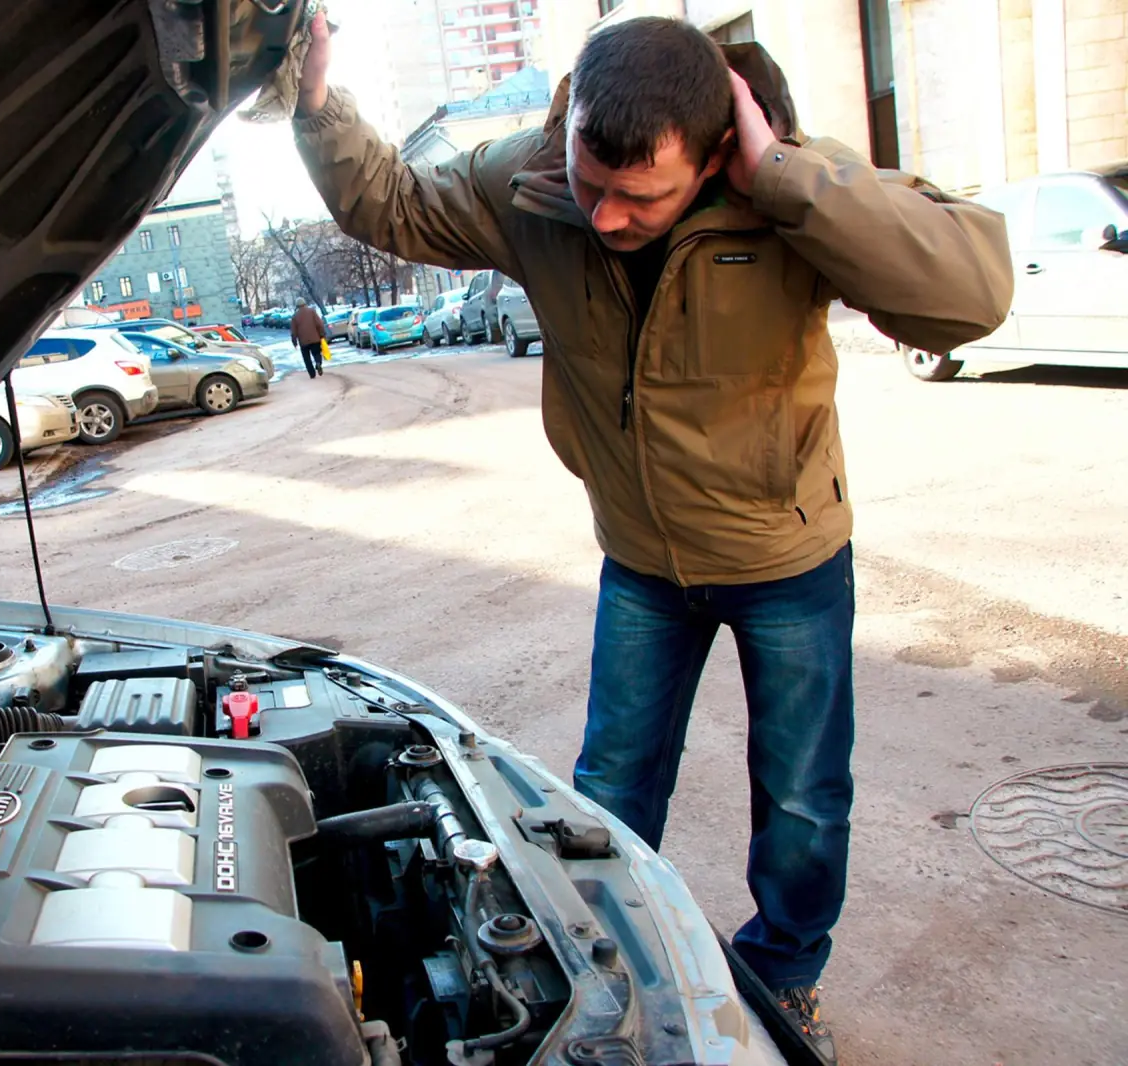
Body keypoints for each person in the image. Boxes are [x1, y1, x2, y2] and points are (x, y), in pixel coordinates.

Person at [291, 13, 1011, 1062]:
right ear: (570, 129)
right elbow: (394, 203)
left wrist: (786, 182)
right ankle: (607, 964)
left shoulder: (793, 188)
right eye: (593, 184)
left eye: (643, 197)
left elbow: (971, 295)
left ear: (718, 150)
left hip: (785, 559)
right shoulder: (532, 182)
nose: (610, 216)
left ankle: (785, 971)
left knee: (803, 800)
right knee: (607, 794)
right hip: (638, 559)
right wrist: (315, 109)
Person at [289, 297, 328, 378]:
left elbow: (293, 331)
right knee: (317, 353)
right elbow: (319, 324)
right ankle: (318, 363)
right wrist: (322, 334)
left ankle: (312, 374)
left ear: (297, 306)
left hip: (303, 342)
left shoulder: (295, 316)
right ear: (305, 303)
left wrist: (294, 341)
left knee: (307, 358)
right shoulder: (312, 311)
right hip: (315, 338)